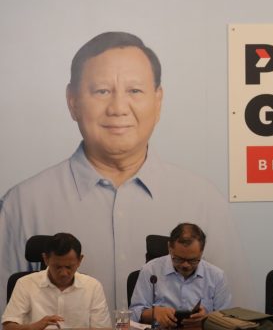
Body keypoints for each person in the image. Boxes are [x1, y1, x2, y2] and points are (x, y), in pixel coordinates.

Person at [0, 32, 250, 311]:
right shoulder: (22, 205)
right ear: (73, 101)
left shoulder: (204, 201)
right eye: (102, 91)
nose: (118, 108)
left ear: (158, 100)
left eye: (134, 91)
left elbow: (234, 315)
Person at [130, 223, 231, 328]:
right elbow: (133, 315)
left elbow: (227, 321)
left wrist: (206, 320)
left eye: (192, 260)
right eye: (179, 259)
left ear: (201, 252)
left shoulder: (217, 276)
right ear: (169, 248)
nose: (185, 265)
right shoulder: (150, 270)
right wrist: (154, 313)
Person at [1, 233, 110, 330]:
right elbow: (7, 327)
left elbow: (102, 328)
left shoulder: (92, 287)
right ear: (46, 259)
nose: (63, 273)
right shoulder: (25, 284)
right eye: (57, 267)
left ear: (79, 260)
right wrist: (33, 327)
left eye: (69, 267)